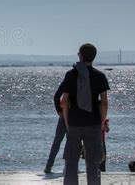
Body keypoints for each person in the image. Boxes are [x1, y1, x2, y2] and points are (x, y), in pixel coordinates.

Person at [61, 43, 110, 185]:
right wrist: (102, 122)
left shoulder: (71, 74)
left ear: (81, 56)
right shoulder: (100, 76)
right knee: (93, 164)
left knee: (71, 163)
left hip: (74, 122)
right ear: (93, 57)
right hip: (93, 123)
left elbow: (64, 101)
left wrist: (67, 121)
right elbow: (105, 103)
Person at [44, 79, 67, 173]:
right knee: (72, 142)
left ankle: (49, 165)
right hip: (73, 116)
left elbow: (57, 96)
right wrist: (59, 111)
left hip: (65, 115)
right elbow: (56, 96)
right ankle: (68, 165)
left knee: (57, 141)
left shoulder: (68, 80)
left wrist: (59, 111)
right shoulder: (79, 81)